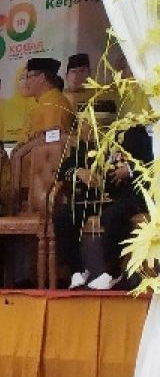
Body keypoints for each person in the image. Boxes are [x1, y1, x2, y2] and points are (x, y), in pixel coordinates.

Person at [55, 124, 152, 290]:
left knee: (113, 215)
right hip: (96, 200)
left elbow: (149, 163)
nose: (84, 129)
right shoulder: (87, 147)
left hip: (127, 197)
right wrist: (79, 171)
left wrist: (128, 170)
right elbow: (63, 170)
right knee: (63, 214)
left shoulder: (133, 133)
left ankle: (113, 272)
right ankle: (77, 270)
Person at [24, 56, 75, 138]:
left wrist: (24, 149)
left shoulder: (54, 103)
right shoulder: (44, 101)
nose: (26, 83)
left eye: (29, 77)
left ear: (42, 78)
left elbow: (52, 138)